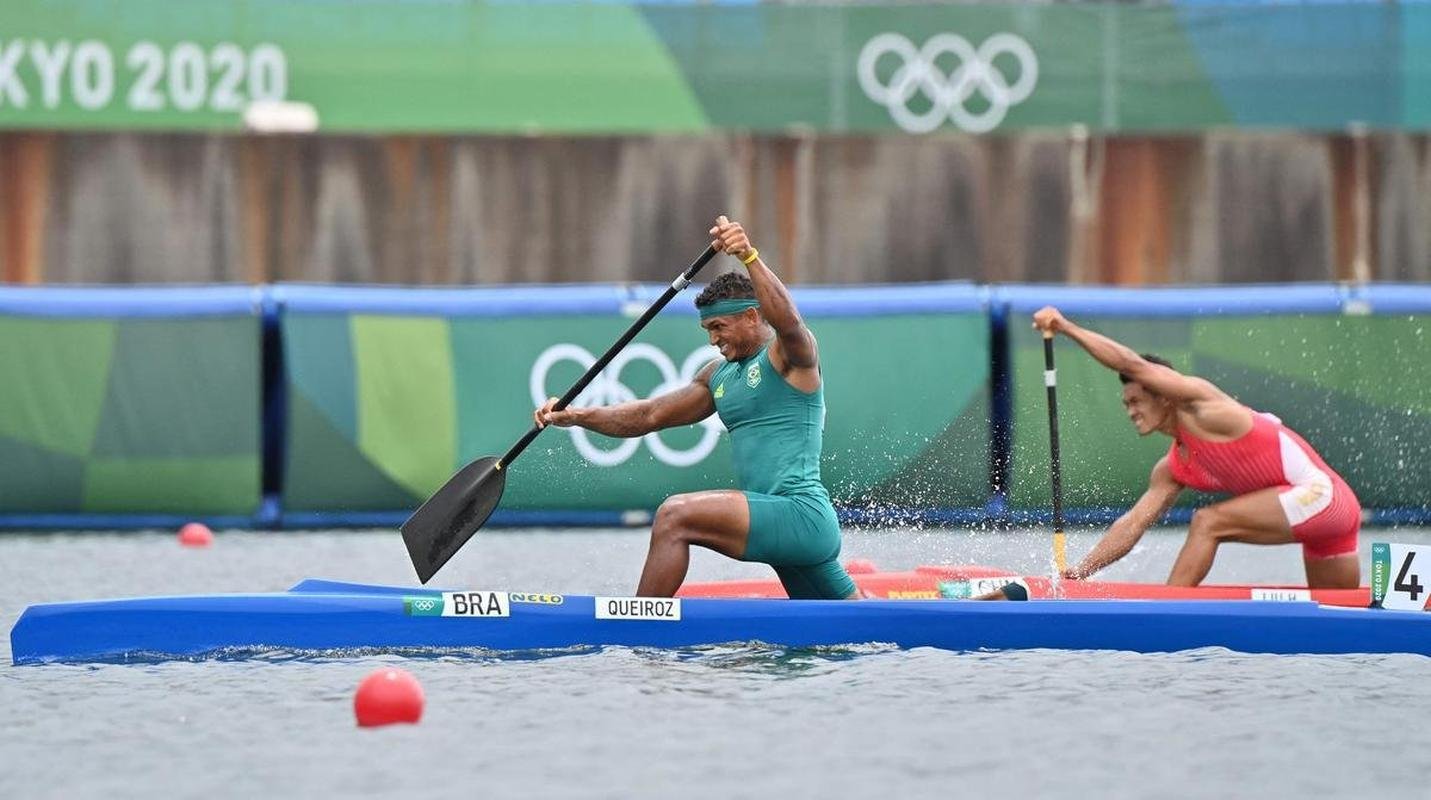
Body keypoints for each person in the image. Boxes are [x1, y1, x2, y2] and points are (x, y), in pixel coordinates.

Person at [534, 216, 857, 599]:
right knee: (857, 628)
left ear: (752, 316)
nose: (712, 340)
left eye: (719, 327)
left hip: (799, 514)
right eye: (708, 330)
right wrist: (575, 415)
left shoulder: (788, 357)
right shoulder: (717, 377)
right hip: (781, 524)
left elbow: (789, 322)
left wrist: (748, 256)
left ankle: (639, 627)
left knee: (675, 516)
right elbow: (648, 415)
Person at [1032, 305, 1362, 589]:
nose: (1130, 410)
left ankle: (1166, 616)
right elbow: (1133, 524)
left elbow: (1132, 365)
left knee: (1207, 522)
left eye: (1136, 400)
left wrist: (1066, 328)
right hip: (1326, 524)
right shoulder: (1173, 467)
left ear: (1163, 394)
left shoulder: (1202, 406)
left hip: (1324, 498)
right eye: (1125, 404)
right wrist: (1079, 574)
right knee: (1344, 619)